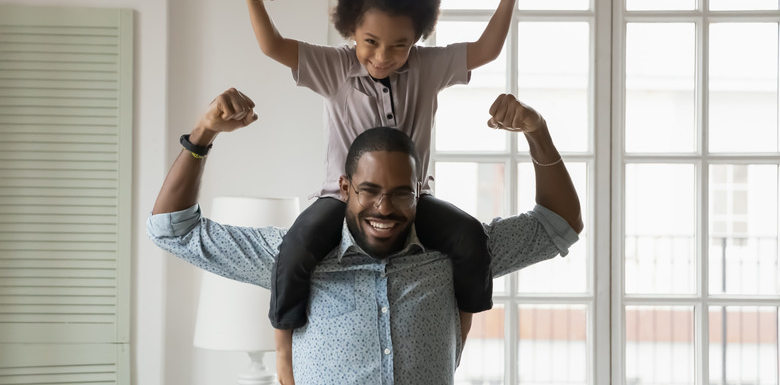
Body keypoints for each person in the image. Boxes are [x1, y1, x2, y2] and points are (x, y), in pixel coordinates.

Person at [147, 88, 583, 385]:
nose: (384, 208)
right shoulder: (293, 255)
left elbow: (559, 224)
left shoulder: (455, 253)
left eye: (400, 194)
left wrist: (537, 131)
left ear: (421, 191)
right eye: (369, 191)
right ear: (344, 189)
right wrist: (202, 135)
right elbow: (173, 230)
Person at [243, 0, 519, 368]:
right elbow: (272, 46)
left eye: (400, 45)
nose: (383, 56)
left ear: (418, 38)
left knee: (470, 239)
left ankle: (456, 342)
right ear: (352, 28)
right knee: (295, 248)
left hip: (412, 199)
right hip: (342, 200)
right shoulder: (333, 67)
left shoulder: (428, 68)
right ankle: (283, 351)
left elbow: (485, 50)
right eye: (370, 41)